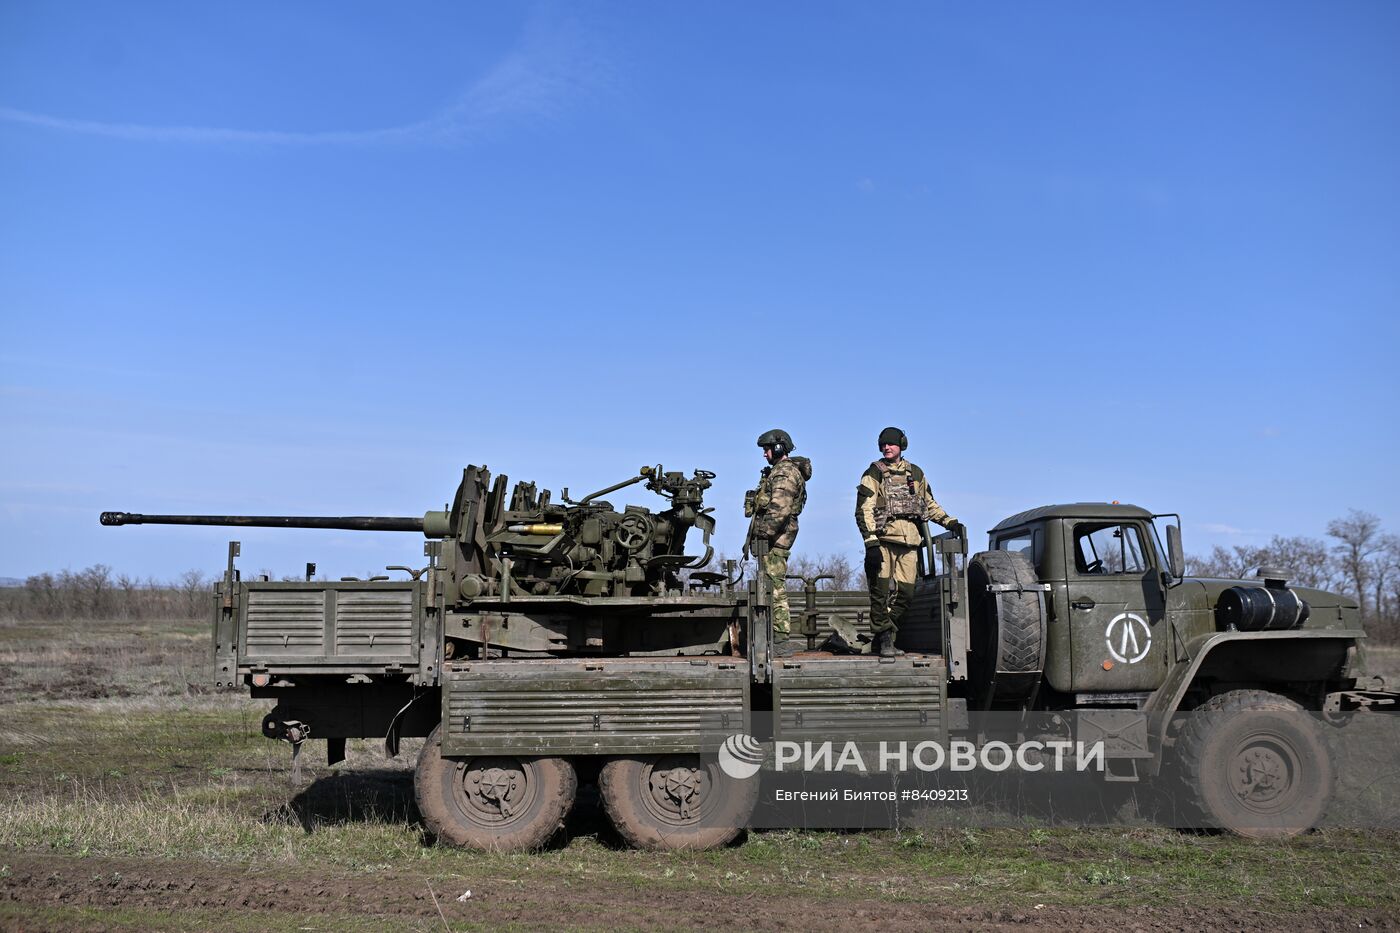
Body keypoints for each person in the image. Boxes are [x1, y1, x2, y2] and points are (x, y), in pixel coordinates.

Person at [855, 426, 962, 657]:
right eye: (883, 444)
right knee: (880, 593)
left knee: (907, 594)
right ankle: (884, 639)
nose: (887, 447)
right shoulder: (873, 473)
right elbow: (864, 509)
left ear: (901, 445)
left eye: (891, 443)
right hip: (883, 541)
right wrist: (871, 542)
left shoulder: (916, 473)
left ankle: (884, 634)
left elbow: (929, 504)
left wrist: (950, 522)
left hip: (910, 543)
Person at [746, 429, 811, 657]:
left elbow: (779, 510)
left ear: (779, 447)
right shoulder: (778, 472)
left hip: (776, 538)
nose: (765, 454)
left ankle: (781, 639)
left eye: (767, 449)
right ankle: (775, 637)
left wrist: (762, 534)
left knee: (775, 587)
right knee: (770, 584)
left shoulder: (784, 473)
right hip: (772, 537)